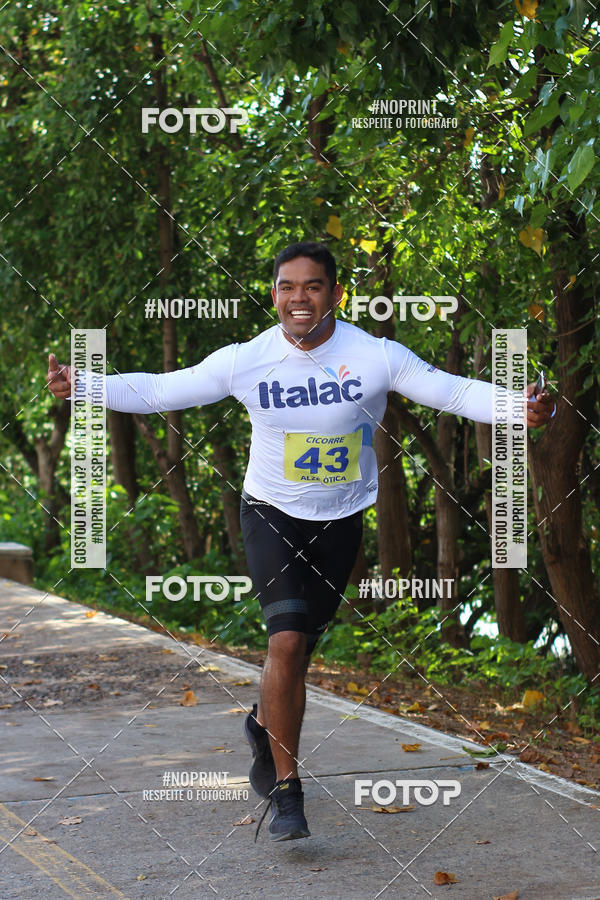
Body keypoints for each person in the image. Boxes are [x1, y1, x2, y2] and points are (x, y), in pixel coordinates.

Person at [47, 241, 555, 842]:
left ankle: (263, 723)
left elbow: (451, 391)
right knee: (285, 641)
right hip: (271, 512)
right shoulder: (248, 360)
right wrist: (81, 384)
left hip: (341, 519)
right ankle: (288, 792)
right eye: (287, 287)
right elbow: (161, 390)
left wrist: (519, 406)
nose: (299, 298)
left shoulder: (375, 356)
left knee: (300, 650)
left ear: (335, 294)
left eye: (313, 286)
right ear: (273, 296)